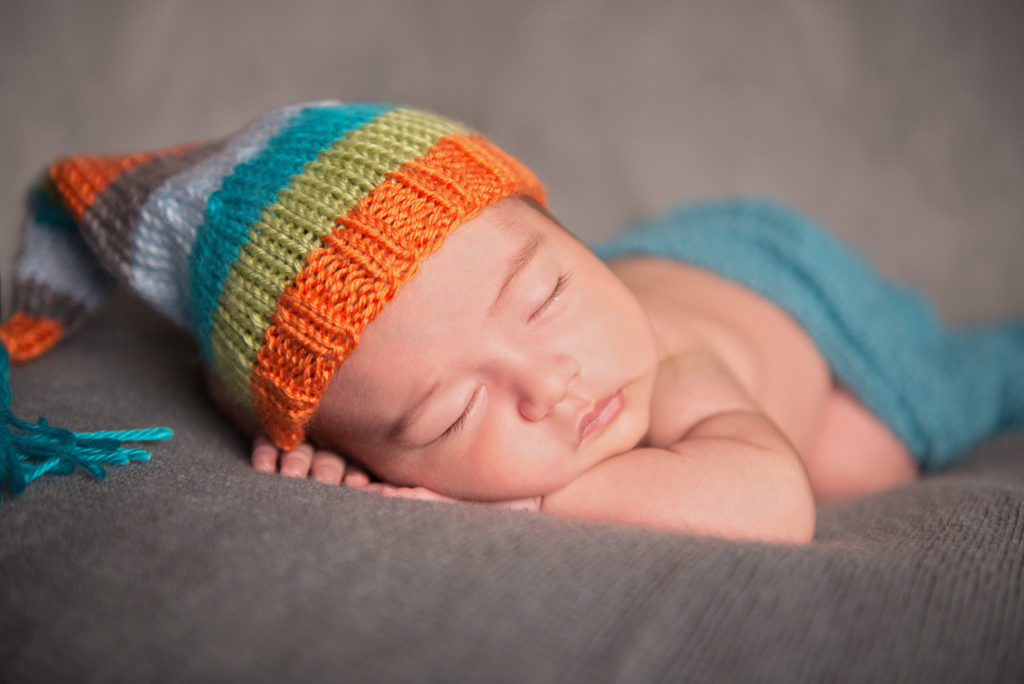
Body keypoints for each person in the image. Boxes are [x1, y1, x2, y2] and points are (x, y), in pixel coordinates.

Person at [2, 101, 1021, 542]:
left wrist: (524, 506)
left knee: (861, 459)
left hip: (783, 298)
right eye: (448, 417)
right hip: (631, 268)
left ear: (557, 221)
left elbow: (770, 503)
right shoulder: (448, 361)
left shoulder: (665, 364)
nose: (552, 386)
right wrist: (309, 453)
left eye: (542, 298)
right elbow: (277, 394)